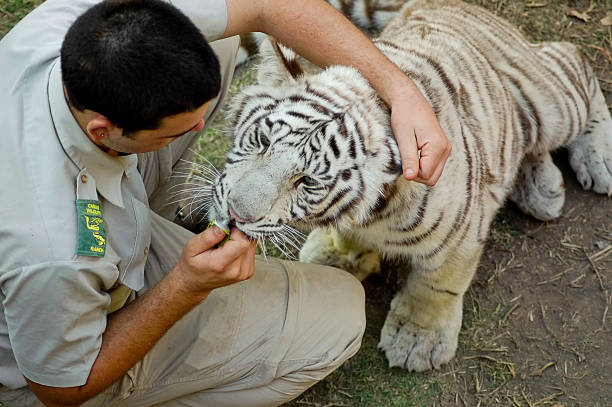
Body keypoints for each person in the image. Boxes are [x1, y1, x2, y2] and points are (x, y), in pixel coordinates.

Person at [0, 0, 450, 406]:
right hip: (50, 367)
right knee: (341, 316)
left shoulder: (73, 23)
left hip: (71, 242)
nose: (201, 129)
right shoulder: (53, 248)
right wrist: (183, 288)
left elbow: (269, 5)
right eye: (178, 130)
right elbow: (62, 387)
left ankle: (152, 223)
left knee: (221, 44)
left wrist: (401, 90)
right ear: (103, 131)